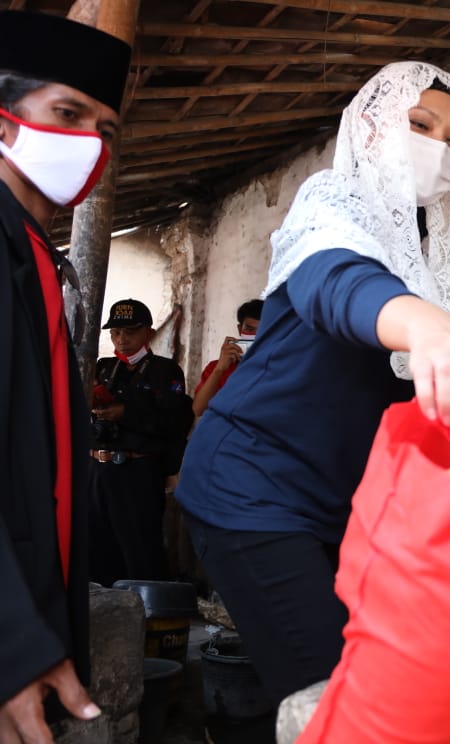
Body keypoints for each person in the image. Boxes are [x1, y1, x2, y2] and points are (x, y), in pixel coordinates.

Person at [174, 61, 450, 708]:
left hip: (344, 506)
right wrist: (428, 328)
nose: (439, 149)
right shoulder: (332, 204)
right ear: (369, 125)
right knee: (335, 699)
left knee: (394, 682)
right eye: (420, 125)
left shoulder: (437, 253)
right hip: (253, 486)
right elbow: (338, 282)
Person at [0, 9, 131, 740]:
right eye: (67, 113)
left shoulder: (32, 250)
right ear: (6, 117)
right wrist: (10, 644)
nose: (87, 143)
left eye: (105, 130)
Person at [89, 298, 193, 587]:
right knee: (96, 547)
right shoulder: (103, 368)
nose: (122, 339)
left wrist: (126, 412)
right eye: (116, 332)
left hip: (137, 470)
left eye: (130, 332)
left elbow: (173, 422)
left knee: (140, 551)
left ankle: (147, 619)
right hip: (98, 468)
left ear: (148, 332)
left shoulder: (165, 371)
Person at [192, 298, 264, 417]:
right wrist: (219, 369)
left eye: (262, 330)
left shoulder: (281, 366)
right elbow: (198, 409)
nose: (255, 336)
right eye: (250, 329)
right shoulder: (217, 367)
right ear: (240, 329)